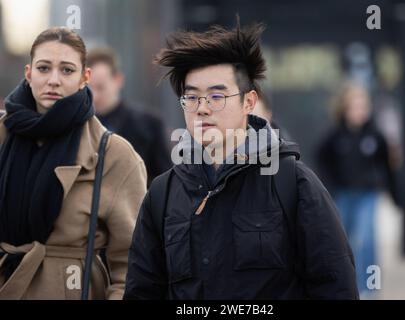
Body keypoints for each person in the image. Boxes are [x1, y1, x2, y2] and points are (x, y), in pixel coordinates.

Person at [124, 21, 358, 300]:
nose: (202, 108)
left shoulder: (293, 183)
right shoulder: (162, 194)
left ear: (249, 102)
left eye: (216, 96)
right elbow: (143, 291)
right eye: (191, 97)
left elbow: (334, 284)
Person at [0, 27, 147, 299]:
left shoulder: (114, 154)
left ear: (84, 78)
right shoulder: (2, 135)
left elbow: (132, 266)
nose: (53, 80)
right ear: (28, 73)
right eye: (44, 68)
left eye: (67, 70)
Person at [317, 81, 397, 298]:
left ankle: (371, 289)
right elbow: (322, 161)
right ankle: (350, 287)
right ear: (345, 107)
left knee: (368, 239)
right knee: (346, 244)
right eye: (355, 105)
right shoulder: (334, 136)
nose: (360, 110)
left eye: (363, 105)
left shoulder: (375, 135)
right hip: (343, 195)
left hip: (368, 195)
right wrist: (329, 188)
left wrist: (396, 195)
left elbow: (387, 167)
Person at [87, 48, 171, 184]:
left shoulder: (150, 124)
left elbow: (164, 179)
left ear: (118, 80)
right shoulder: (78, 126)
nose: (94, 96)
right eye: (88, 89)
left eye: (100, 87)